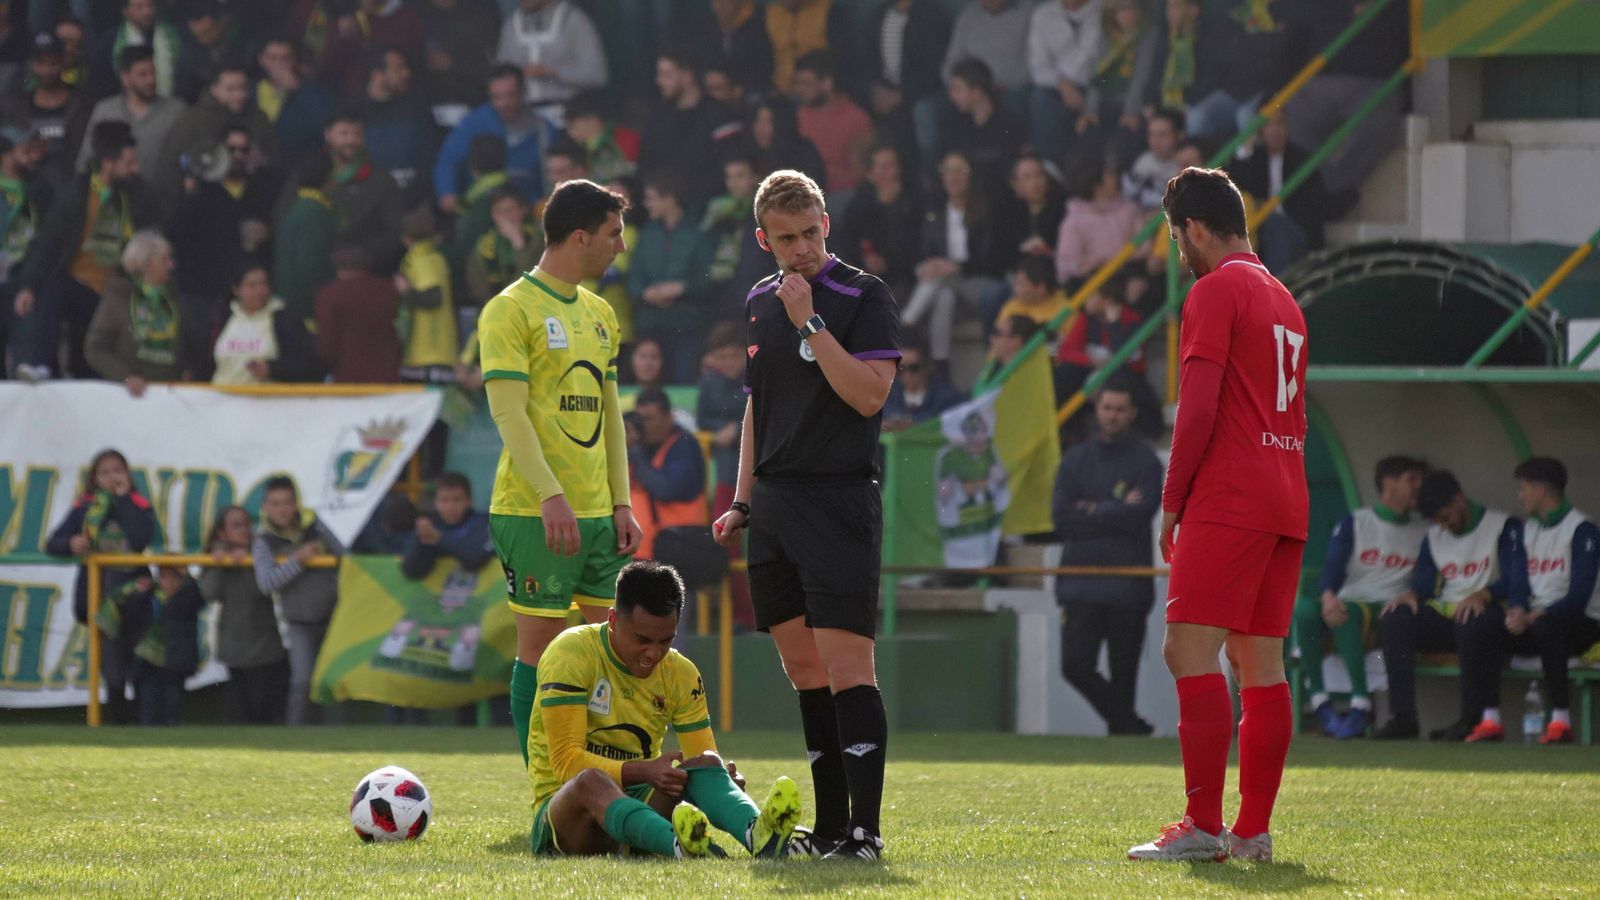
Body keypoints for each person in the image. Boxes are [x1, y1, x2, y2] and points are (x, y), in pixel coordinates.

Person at [712, 169, 901, 860]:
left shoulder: (864, 295)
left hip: (839, 498)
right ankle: (828, 829)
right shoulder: (761, 299)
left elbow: (869, 397)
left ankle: (866, 832)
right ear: (765, 240)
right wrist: (741, 500)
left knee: (850, 667)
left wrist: (811, 322)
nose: (802, 249)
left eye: (811, 233)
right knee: (803, 670)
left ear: (828, 223)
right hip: (778, 506)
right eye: (786, 239)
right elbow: (758, 406)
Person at [1128, 166, 1307, 863]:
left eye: (1177, 237)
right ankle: (1252, 832)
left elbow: (1197, 408)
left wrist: (1172, 503)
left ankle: (1203, 826)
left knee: (1187, 649)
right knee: (1260, 661)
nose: (1179, 252)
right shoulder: (1284, 297)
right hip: (1285, 493)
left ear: (1194, 229)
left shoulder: (1216, 289)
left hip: (1231, 496)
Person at [477, 178, 642, 767]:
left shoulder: (600, 314)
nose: (620, 246)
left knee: (613, 656)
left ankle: (611, 783)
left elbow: (611, 417)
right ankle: (548, 794)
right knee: (543, 654)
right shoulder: (510, 309)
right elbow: (507, 412)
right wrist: (550, 494)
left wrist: (621, 502)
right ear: (579, 237)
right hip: (534, 510)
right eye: (613, 234)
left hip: (600, 514)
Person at [526, 559, 803, 858]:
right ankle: (679, 846)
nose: (653, 653)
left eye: (665, 640)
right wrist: (644, 771)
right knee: (590, 781)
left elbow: (701, 757)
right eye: (642, 640)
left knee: (706, 764)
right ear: (614, 620)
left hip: (641, 809)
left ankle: (758, 835)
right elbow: (566, 763)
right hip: (566, 819)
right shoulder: (571, 653)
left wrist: (723, 783)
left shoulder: (681, 673)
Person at [1458, 458, 1600, 745]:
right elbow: (1518, 582)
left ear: (1542, 489)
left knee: (1548, 626)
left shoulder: (1582, 530)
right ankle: (1490, 720)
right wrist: (1516, 611)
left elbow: (1578, 597)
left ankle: (1561, 722)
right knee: (1482, 624)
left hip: (1581, 625)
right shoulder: (1527, 530)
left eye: (1524, 489)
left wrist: (1534, 616)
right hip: (1535, 622)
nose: (1519, 496)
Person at [1373, 470, 1521, 742]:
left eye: (1446, 516)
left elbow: (1516, 580)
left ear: (1459, 500)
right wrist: (1412, 595)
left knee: (1471, 619)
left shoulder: (1503, 526)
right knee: (1395, 619)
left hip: (1490, 617)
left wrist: (1484, 594)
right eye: (1437, 521)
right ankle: (1403, 718)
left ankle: (1472, 719)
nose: (1444, 525)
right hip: (1451, 615)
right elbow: (1425, 583)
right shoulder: (1435, 536)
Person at [9, 120, 156, 380]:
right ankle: (36, 366)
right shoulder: (75, 195)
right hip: (79, 288)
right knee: (46, 291)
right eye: (129, 163)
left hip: (118, 293)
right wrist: (28, 285)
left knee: (89, 365)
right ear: (108, 163)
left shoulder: (141, 196)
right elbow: (47, 243)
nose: (136, 169)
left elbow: (153, 242)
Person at [1054, 379, 1161, 735]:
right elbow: (1061, 518)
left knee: (1124, 668)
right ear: (1097, 409)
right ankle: (1129, 724)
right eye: (1106, 408)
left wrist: (1090, 509)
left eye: (1119, 409)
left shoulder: (1145, 460)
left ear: (1131, 414)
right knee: (1075, 665)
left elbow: (1141, 513)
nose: (1112, 416)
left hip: (1127, 585)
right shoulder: (1075, 459)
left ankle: (1123, 736)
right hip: (1080, 583)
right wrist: (1114, 509)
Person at [1297, 455, 1428, 739]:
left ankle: (1359, 704)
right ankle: (1319, 699)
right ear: (1388, 484)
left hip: (1385, 606)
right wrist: (1328, 595)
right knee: (1304, 610)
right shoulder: (1356, 522)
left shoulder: (1424, 531)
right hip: (1349, 597)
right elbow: (1333, 564)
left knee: (1346, 615)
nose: (1419, 487)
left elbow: (1428, 577)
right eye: (1411, 480)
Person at [45, 448, 157, 726]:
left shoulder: (138, 504)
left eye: (117, 470)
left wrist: (122, 499)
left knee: (141, 667)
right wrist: (71, 543)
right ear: (94, 478)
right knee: (114, 673)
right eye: (104, 472)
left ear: (128, 475)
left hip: (134, 597)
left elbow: (140, 538)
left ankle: (147, 724)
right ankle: (118, 726)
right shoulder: (85, 508)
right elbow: (53, 543)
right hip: (102, 601)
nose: (111, 477)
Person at [902, 150, 1012, 370]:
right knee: (944, 295)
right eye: (948, 171)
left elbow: (991, 260)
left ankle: (906, 324)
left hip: (975, 282)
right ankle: (942, 367)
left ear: (971, 176)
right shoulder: (935, 213)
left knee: (941, 283)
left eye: (960, 171)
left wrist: (955, 267)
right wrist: (927, 267)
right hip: (945, 284)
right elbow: (922, 254)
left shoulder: (985, 211)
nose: (953, 177)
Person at [253, 475, 344, 726]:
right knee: (302, 681)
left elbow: (344, 559)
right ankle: (295, 735)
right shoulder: (264, 541)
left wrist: (333, 586)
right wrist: (299, 561)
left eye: (286, 502)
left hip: (331, 617)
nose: (281, 509)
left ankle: (339, 737)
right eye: (275, 503)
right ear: (265, 507)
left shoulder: (317, 529)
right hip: (298, 622)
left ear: (296, 504)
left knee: (331, 681)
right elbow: (266, 583)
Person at [201, 505, 289, 725]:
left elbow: (264, 589)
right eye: (236, 525)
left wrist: (252, 560)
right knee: (239, 717)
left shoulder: (263, 551)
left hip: (266, 648)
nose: (244, 530)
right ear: (222, 532)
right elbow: (210, 593)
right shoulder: (216, 556)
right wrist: (221, 563)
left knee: (265, 714)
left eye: (247, 524)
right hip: (233, 649)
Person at [87, 228, 197, 395]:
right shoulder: (119, 297)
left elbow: (188, 345)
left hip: (170, 396)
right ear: (145, 263)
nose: (171, 264)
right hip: (128, 397)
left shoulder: (176, 300)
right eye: (164, 259)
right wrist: (125, 377)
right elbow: (96, 349)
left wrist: (187, 370)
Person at [627, 177, 712, 384]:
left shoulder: (698, 232)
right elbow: (633, 275)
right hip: (650, 323)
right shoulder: (647, 233)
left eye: (652, 198)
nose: (647, 204)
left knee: (683, 380)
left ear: (670, 199)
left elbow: (710, 279)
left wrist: (681, 288)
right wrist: (645, 293)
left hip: (686, 325)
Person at [636, 48, 741, 210]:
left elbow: (728, 166)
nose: (659, 81)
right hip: (663, 211)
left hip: (709, 209)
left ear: (687, 76)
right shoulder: (658, 117)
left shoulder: (720, 115)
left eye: (666, 75)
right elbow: (646, 164)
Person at [433, 65, 547, 214]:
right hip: (481, 208)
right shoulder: (473, 124)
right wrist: (447, 193)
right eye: (497, 97)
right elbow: (448, 161)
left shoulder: (542, 128)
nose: (504, 104)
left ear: (523, 92)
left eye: (510, 95)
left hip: (528, 210)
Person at [154, 62, 277, 198]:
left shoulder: (258, 117)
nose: (239, 95)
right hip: (203, 202)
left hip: (253, 197)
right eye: (231, 90)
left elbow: (274, 157)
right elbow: (169, 165)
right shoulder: (192, 122)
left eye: (243, 88)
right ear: (214, 89)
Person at [1227, 110, 1327, 273]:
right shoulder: (1253, 160)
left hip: (1294, 228)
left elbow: (1312, 209)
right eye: (1268, 125)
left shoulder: (1301, 160)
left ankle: (1274, 288)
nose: (1275, 130)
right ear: (1259, 130)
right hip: (1260, 230)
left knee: (1274, 225)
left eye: (1280, 123)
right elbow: (1236, 188)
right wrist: (1245, 151)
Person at [75, 44, 185, 179]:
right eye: (143, 74)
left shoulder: (176, 111)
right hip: (115, 196)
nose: (151, 80)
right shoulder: (106, 111)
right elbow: (86, 161)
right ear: (125, 78)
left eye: (153, 73)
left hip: (164, 198)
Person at [833, 143, 922, 302]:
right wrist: (863, 259)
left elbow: (915, 245)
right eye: (881, 167)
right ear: (871, 173)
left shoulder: (913, 200)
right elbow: (846, 238)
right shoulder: (862, 199)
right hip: (862, 270)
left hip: (901, 275)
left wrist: (887, 262)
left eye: (891, 166)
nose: (887, 173)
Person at [627, 388, 707, 561]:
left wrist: (635, 452)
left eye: (648, 418)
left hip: (685, 544)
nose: (642, 425)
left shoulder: (684, 445)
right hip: (646, 552)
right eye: (639, 419)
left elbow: (667, 489)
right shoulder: (642, 448)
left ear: (668, 417)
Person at [209, 262, 319, 385]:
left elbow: (305, 364)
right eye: (251, 285)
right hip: (223, 399)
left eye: (263, 284)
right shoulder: (224, 318)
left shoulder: (284, 319)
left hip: (266, 400)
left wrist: (272, 369)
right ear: (236, 289)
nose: (260, 291)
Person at [1027, 0, 1106, 167]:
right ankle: (1050, 169)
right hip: (1057, 87)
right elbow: (1038, 65)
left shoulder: (1105, 10)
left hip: (1096, 87)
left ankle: (1089, 177)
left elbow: (1105, 63)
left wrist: (1089, 101)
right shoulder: (1044, 14)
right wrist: (1062, 84)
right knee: (1041, 99)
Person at [496, 0, 607, 118]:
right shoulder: (511, 25)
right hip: (524, 117)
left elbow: (598, 75)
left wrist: (554, 73)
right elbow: (499, 75)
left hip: (571, 116)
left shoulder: (574, 20)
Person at [127, 563, 203, 726]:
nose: (168, 582)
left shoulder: (188, 595)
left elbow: (194, 600)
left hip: (175, 658)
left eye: (173, 577)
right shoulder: (148, 596)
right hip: (148, 660)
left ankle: (170, 726)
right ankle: (147, 727)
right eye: (164, 577)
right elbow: (132, 617)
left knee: (172, 698)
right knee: (148, 698)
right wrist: (140, 594)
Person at [791, 51, 873, 201]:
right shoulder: (797, 116)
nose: (799, 90)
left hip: (838, 195)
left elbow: (862, 172)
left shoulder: (856, 119)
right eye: (798, 83)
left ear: (827, 83)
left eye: (806, 83)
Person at [314, 244, 402, 383]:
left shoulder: (330, 294)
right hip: (388, 374)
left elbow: (327, 343)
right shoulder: (388, 290)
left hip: (347, 375)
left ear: (338, 267)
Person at [359, 46, 435, 204]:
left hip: (414, 207)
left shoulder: (417, 109)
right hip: (368, 209)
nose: (406, 74)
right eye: (398, 68)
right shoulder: (354, 111)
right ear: (377, 75)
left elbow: (428, 159)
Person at [270, 154, 336, 329]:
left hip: (290, 307)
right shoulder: (315, 213)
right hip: (308, 313)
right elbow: (311, 265)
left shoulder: (296, 207)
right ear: (329, 178)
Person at [700, 154, 768, 317]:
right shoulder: (717, 209)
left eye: (740, 176)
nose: (734, 183)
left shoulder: (765, 211)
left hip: (751, 291)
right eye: (729, 177)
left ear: (755, 178)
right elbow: (702, 249)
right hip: (718, 291)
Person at [395, 209, 457, 385]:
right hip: (431, 353)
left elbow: (433, 298)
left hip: (428, 354)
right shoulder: (435, 258)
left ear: (406, 238)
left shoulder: (422, 259)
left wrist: (405, 291)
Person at [1057, 159, 1143, 282]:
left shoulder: (1129, 209)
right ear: (1097, 186)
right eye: (1109, 175)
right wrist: (1093, 263)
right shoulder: (1074, 222)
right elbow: (1066, 267)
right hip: (1095, 282)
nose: (1115, 179)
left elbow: (1145, 246)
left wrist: (1116, 260)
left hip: (1130, 273)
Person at [254, 37, 335, 167]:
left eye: (285, 59)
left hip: (297, 164)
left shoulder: (314, 93)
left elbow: (324, 124)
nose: (279, 65)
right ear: (262, 60)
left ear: (294, 61)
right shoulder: (249, 91)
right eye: (272, 58)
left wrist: (297, 89)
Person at [946, 58, 1025, 184]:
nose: (952, 96)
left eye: (957, 90)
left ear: (976, 91)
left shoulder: (1009, 124)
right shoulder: (956, 124)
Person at [401, 472, 494, 580]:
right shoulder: (429, 524)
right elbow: (411, 571)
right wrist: (419, 541)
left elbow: (477, 557)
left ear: (469, 501)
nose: (451, 507)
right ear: (435, 502)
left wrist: (439, 538)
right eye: (444, 500)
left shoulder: (482, 523)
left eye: (457, 500)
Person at [467, 188, 544, 302]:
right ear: (493, 215)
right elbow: (479, 289)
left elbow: (533, 280)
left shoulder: (538, 238)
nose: (506, 216)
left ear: (522, 210)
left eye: (511, 209)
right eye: (500, 212)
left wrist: (519, 244)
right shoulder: (484, 246)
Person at [765, 0, 846, 97]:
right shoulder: (769, 13)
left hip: (820, 95)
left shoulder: (830, 10)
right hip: (779, 92)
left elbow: (843, 59)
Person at [881, 340, 962, 432]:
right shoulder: (887, 397)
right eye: (900, 369)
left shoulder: (946, 397)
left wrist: (912, 425)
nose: (907, 374)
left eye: (914, 368)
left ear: (926, 367)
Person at [747, 97, 825, 181]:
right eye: (757, 120)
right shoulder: (751, 155)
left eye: (768, 121)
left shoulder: (804, 155)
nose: (760, 128)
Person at [1008, 152, 1066, 263]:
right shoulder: (1011, 213)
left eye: (1039, 175)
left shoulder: (1063, 209)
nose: (1035, 182)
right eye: (1027, 177)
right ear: (1015, 185)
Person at [1123, 109, 1184, 211]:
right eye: (1152, 135)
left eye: (1162, 135)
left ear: (1179, 135)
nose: (1156, 141)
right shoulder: (1143, 164)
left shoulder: (1188, 162)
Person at [997, 255, 1071, 331]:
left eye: (1021, 283)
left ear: (1041, 288)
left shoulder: (1066, 310)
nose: (1015, 288)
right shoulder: (1011, 306)